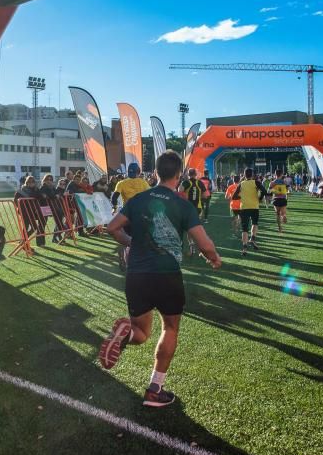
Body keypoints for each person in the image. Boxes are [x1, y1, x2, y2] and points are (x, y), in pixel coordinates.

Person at [98, 151, 222, 408]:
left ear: (155, 172)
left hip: (137, 274)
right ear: (178, 176)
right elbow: (204, 243)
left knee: (141, 332)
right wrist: (213, 258)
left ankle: (123, 337)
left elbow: (112, 227)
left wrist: (130, 241)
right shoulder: (182, 204)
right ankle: (155, 388)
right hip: (167, 275)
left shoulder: (139, 199)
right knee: (170, 328)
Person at [231, 168, 269, 256]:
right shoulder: (256, 182)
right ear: (252, 174)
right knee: (254, 223)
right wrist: (259, 198)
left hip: (244, 207)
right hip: (254, 207)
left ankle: (244, 247)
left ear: (244, 175)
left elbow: (233, 197)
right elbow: (264, 191)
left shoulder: (241, 184)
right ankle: (252, 239)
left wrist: (242, 197)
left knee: (244, 229)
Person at [14, 175, 46, 247]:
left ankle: (23, 240)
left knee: (34, 227)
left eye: (32, 182)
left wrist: (41, 195)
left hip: (32, 211)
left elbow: (40, 196)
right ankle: (24, 244)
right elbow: (15, 200)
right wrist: (20, 208)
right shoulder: (21, 190)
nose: (31, 183)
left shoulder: (36, 189)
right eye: (29, 182)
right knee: (25, 226)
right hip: (24, 211)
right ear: (26, 182)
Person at [269, 169, 289, 233]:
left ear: (275, 174)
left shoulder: (272, 182)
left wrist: (275, 190)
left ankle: (280, 228)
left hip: (276, 199)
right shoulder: (284, 182)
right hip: (283, 199)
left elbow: (269, 191)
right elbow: (287, 190)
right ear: (281, 174)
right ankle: (284, 216)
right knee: (283, 213)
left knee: (277, 214)